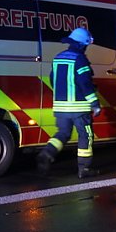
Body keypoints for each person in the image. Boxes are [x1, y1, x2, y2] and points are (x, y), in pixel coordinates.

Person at [36, 27, 102, 178]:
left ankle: (47, 154)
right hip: (79, 108)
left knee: (63, 133)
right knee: (86, 135)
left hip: (60, 107)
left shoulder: (58, 57)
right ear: (82, 44)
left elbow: (53, 80)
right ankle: (84, 168)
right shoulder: (80, 59)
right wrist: (95, 104)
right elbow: (85, 84)